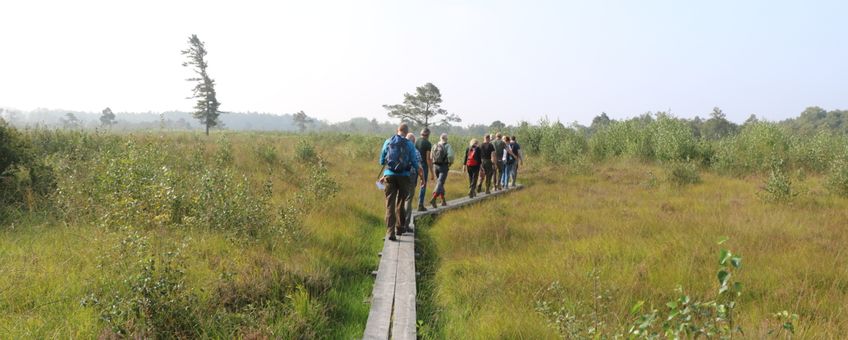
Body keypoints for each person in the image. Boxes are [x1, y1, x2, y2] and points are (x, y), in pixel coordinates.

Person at [378, 124, 419, 241]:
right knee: (401, 202)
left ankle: (390, 232)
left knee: (390, 204)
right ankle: (400, 228)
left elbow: (382, 160)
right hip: (404, 177)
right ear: (407, 132)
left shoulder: (388, 141)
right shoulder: (410, 144)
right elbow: (414, 162)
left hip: (389, 176)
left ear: (398, 130)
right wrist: (419, 172)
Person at [402, 133, 425, 232]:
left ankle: (399, 224)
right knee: (408, 200)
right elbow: (419, 167)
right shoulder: (416, 151)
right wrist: (422, 178)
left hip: (401, 176)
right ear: (414, 142)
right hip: (412, 176)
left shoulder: (401, 150)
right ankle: (406, 225)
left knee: (400, 199)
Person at [430, 133, 454, 208]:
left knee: (440, 183)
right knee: (440, 183)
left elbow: (431, 156)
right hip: (443, 166)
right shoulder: (448, 145)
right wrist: (450, 163)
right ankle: (433, 198)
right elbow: (450, 156)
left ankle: (443, 200)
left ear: (440, 138)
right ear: (446, 139)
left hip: (435, 166)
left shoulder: (435, 145)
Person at [415, 128, 434, 211]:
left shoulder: (416, 141)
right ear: (428, 135)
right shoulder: (428, 144)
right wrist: (432, 172)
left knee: (413, 184)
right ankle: (420, 205)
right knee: (423, 185)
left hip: (415, 164)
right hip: (423, 166)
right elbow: (428, 159)